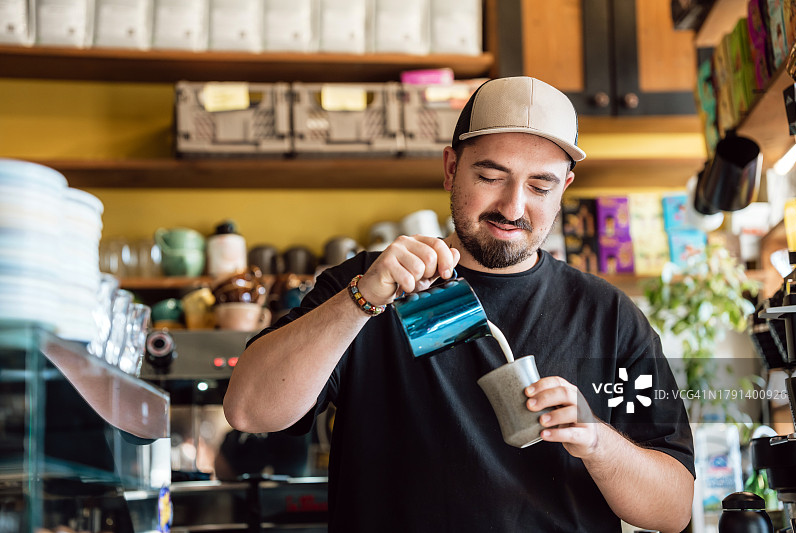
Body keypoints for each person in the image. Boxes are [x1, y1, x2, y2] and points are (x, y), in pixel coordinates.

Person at [224, 76, 695, 532]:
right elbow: (248, 411)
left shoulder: (607, 315)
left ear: (565, 188)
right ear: (451, 168)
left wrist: (597, 442)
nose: (512, 208)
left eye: (540, 186)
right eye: (491, 176)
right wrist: (361, 300)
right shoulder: (365, 285)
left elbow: (673, 511)